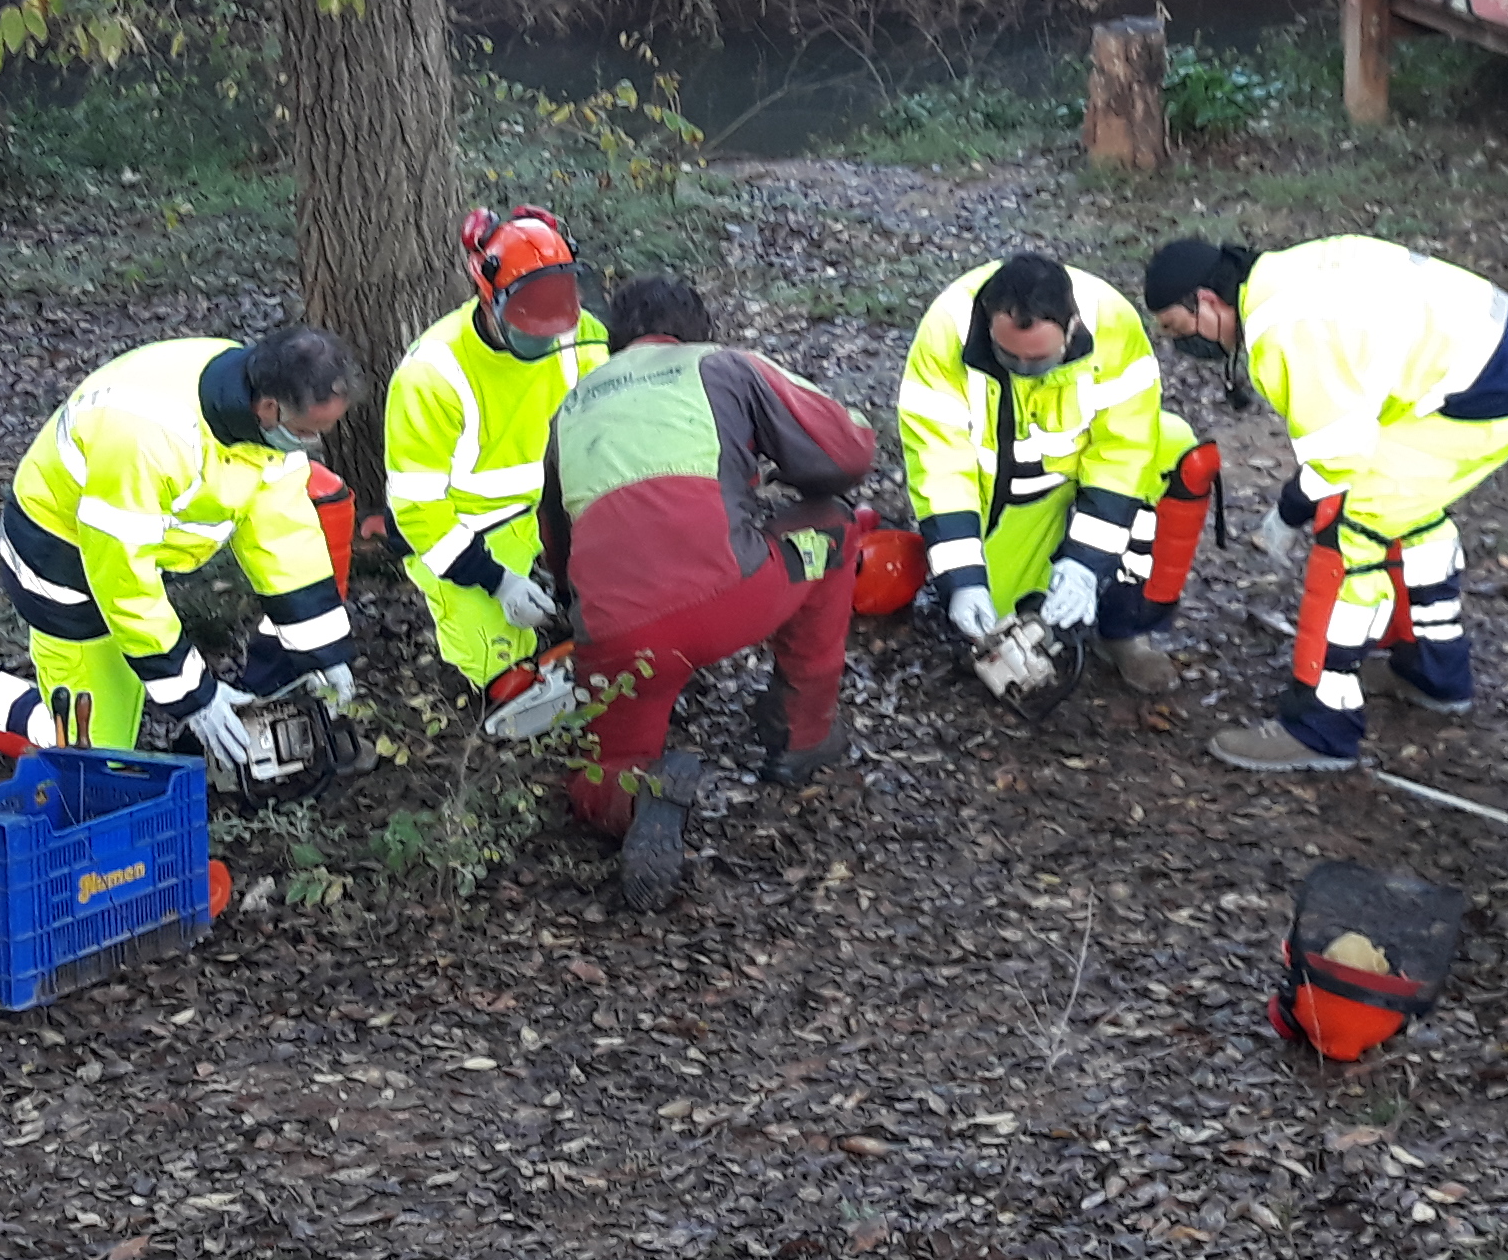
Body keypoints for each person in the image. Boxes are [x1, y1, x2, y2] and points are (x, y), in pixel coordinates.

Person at [1141, 234, 1508, 774]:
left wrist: (1290, 510)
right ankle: (1433, 672)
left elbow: (1339, 459)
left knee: (1350, 528)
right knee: (1404, 510)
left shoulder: (1280, 332)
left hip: (1485, 389)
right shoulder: (1283, 272)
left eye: (1181, 329)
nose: (1187, 346)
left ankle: (1321, 724)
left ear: (1206, 301)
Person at [0, 329, 360, 793]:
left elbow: (282, 531)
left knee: (118, 713)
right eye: (305, 431)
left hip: (124, 543)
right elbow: (124, 583)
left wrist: (323, 652)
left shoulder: (254, 396)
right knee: (89, 751)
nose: (313, 443)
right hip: (61, 557)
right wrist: (197, 697)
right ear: (270, 408)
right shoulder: (148, 440)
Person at [538, 276, 878, 911]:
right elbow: (844, 455)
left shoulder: (573, 406)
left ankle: (640, 795)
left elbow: (558, 547)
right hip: (731, 592)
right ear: (699, 328)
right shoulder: (723, 366)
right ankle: (801, 736)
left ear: (615, 341)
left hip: (615, 635)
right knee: (832, 526)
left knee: (599, 771)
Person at [895, 250, 1222, 704]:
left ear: (1071, 328)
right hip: (1006, 499)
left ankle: (1126, 627)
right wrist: (963, 577)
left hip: (1085, 475)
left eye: (1041, 358)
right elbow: (939, 465)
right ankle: (1026, 589)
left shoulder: (1112, 324)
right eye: (1010, 356)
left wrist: (1086, 562)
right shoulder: (945, 332)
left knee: (1174, 444)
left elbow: (1123, 452)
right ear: (988, 323)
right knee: (994, 624)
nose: (1026, 370)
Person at [385, 206, 609, 738]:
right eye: (529, 328)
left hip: (561, 510)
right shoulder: (432, 375)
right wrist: (497, 580)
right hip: (469, 533)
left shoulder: (583, 335)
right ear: (489, 299)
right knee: (507, 679)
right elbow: (419, 514)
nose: (546, 340)